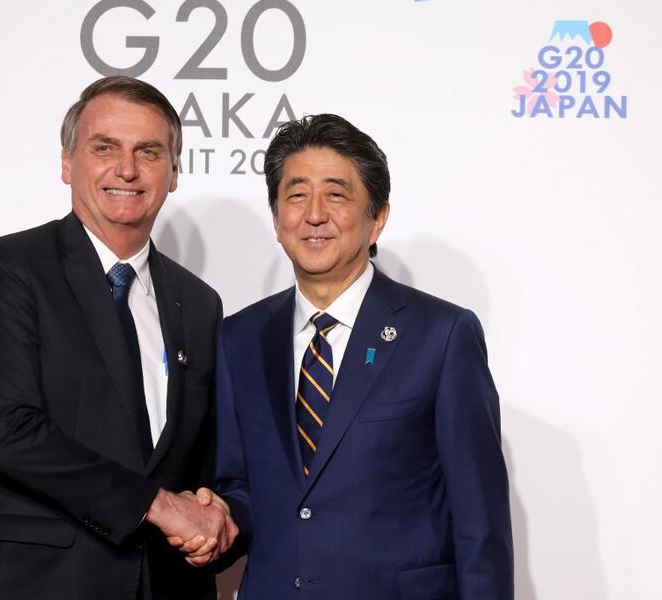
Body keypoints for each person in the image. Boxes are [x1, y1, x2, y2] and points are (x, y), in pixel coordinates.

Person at [0, 76, 237, 600]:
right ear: (67, 163)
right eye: (104, 147)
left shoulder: (199, 303)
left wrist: (214, 511)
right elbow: (9, 431)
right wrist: (156, 504)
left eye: (149, 152)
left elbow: (198, 457)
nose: (127, 169)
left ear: (174, 173)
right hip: (21, 584)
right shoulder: (6, 269)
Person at [202, 114, 514, 598]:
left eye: (337, 194)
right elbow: (239, 485)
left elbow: (481, 524)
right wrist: (217, 516)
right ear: (277, 219)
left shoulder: (442, 336)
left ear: (378, 218)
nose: (314, 214)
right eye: (297, 195)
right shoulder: (239, 338)